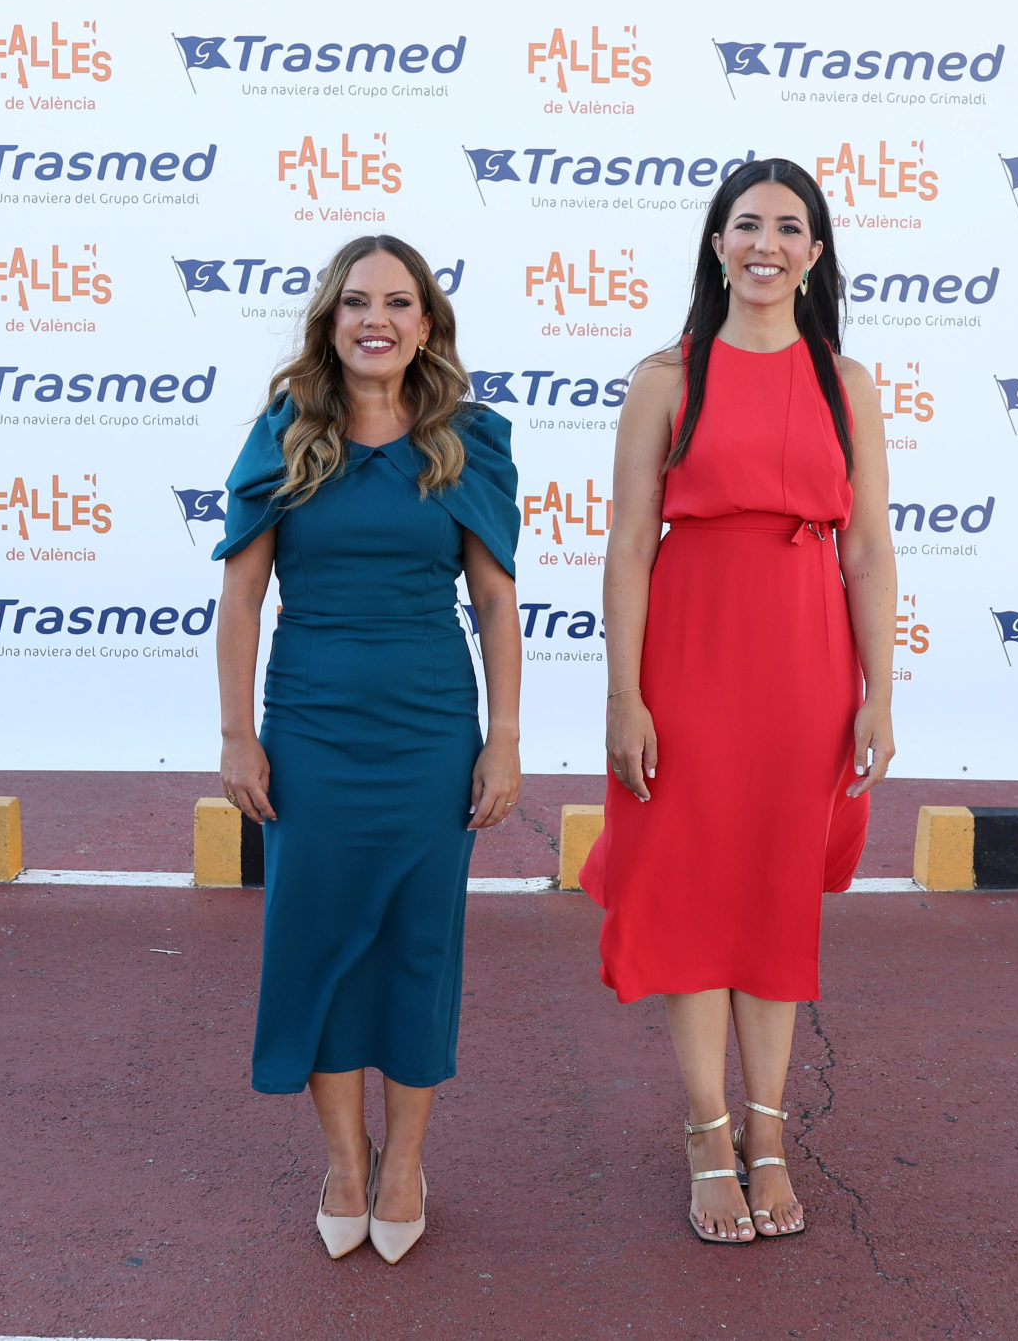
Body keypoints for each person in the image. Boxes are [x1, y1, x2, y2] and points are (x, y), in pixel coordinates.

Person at [582, 158, 898, 1244]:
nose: (767, 243)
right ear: (717, 244)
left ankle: (770, 1130)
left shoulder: (845, 383)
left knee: (774, 893)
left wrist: (878, 694)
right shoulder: (666, 378)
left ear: (815, 253)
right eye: (747, 224)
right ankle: (706, 1132)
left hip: (807, 665)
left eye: (789, 227)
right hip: (689, 657)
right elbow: (629, 545)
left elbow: (868, 550)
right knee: (688, 892)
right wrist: (625, 695)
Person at [213, 234, 523, 1264]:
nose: (375, 319)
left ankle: (405, 1166)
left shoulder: (468, 441)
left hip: (432, 731)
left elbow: (494, 601)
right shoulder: (284, 434)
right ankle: (346, 1162)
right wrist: (238, 736)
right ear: (330, 320)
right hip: (310, 728)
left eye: (396, 302)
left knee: (418, 946)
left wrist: (503, 740)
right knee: (317, 944)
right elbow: (242, 597)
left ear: (425, 324)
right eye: (356, 302)